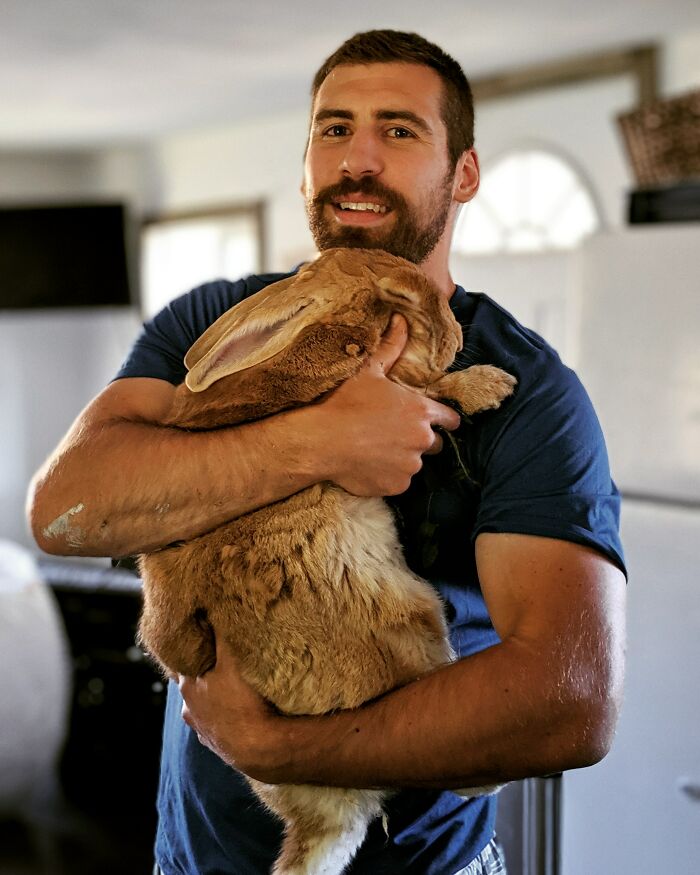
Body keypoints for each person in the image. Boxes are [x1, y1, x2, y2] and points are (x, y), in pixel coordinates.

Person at [27, 29, 627, 875]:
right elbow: (65, 509)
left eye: (400, 131)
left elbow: (571, 703)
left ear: (465, 174)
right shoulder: (209, 319)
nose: (359, 159)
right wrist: (316, 442)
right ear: (306, 163)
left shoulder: (530, 392)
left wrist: (282, 747)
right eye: (334, 129)